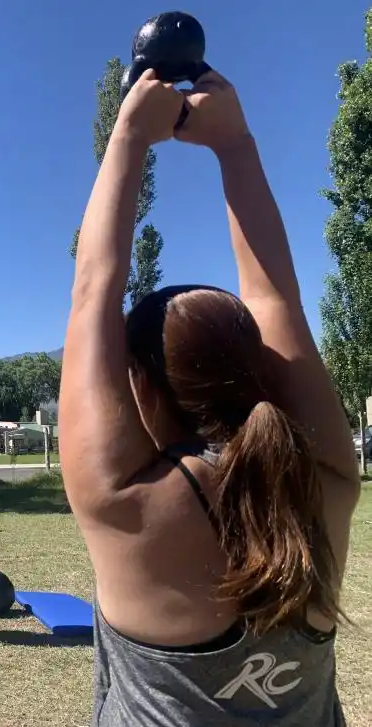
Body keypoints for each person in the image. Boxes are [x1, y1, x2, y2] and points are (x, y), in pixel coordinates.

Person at [60, 68, 359, 726]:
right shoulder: (330, 480)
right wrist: (236, 144)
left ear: (140, 383)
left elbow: (91, 295)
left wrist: (129, 135)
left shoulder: (127, 503)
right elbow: (275, 295)